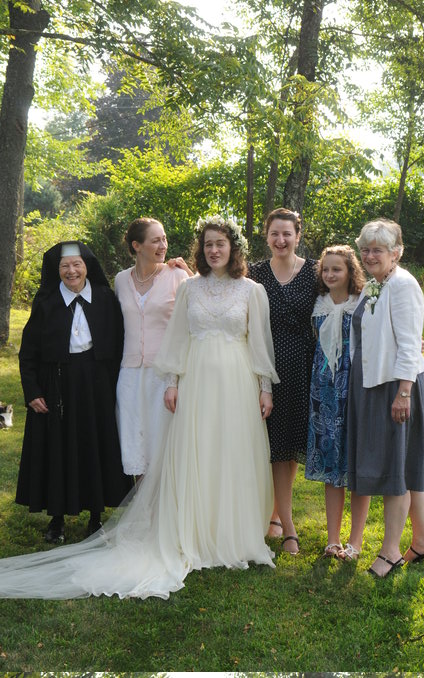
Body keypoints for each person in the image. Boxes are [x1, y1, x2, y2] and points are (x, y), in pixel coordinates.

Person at [0, 215, 278, 599]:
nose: (214, 250)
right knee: (157, 450)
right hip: (159, 375)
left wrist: (264, 388)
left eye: (221, 243)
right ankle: (157, 520)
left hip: (221, 380)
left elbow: (253, 341)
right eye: (208, 244)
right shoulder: (136, 283)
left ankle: (222, 528)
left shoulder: (227, 286)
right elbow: (167, 334)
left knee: (215, 452)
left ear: (234, 247)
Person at [16, 241, 132, 544]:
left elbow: (120, 343)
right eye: (65, 266)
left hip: (96, 384)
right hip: (56, 383)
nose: (71, 271)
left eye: (77, 264)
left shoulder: (105, 298)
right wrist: (32, 390)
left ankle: (95, 517)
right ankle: (56, 518)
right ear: (57, 270)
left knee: (93, 444)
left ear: (87, 267)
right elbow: (28, 352)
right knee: (58, 447)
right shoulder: (46, 302)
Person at [347, 218, 424, 577]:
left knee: (395, 469)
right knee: (408, 464)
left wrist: (403, 393)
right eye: (365, 249)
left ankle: (390, 551)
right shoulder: (375, 284)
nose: (370, 256)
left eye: (378, 250)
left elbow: (410, 345)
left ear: (396, 253)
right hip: (376, 383)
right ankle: (423, 542)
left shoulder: (402, 285)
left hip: (396, 386)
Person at [248, 208, 317, 554]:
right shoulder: (254, 273)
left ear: (297, 236)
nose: (280, 240)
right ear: (267, 236)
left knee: (288, 445)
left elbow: (347, 298)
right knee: (271, 444)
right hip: (263, 365)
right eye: (274, 233)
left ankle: (277, 514)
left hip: (302, 366)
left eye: (287, 233)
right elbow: (219, 288)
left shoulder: (315, 271)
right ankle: (287, 526)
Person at [304, 246, 370, 559]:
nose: (330, 274)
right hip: (325, 388)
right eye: (326, 269)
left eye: (337, 269)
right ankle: (333, 540)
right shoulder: (318, 303)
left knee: (357, 463)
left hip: (356, 385)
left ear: (350, 272)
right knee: (331, 463)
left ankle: (355, 541)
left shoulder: (363, 302)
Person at [115, 217, 191, 479]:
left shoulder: (178, 276)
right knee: (135, 444)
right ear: (137, 246)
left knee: (164, 446)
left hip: (164, 375)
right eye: (156, 240)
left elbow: (197, 317)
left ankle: (165, 503)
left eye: (164, 239)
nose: (163, 245)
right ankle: (141, 502)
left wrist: (191, 274)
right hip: (130, 375)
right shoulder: (120, 280)